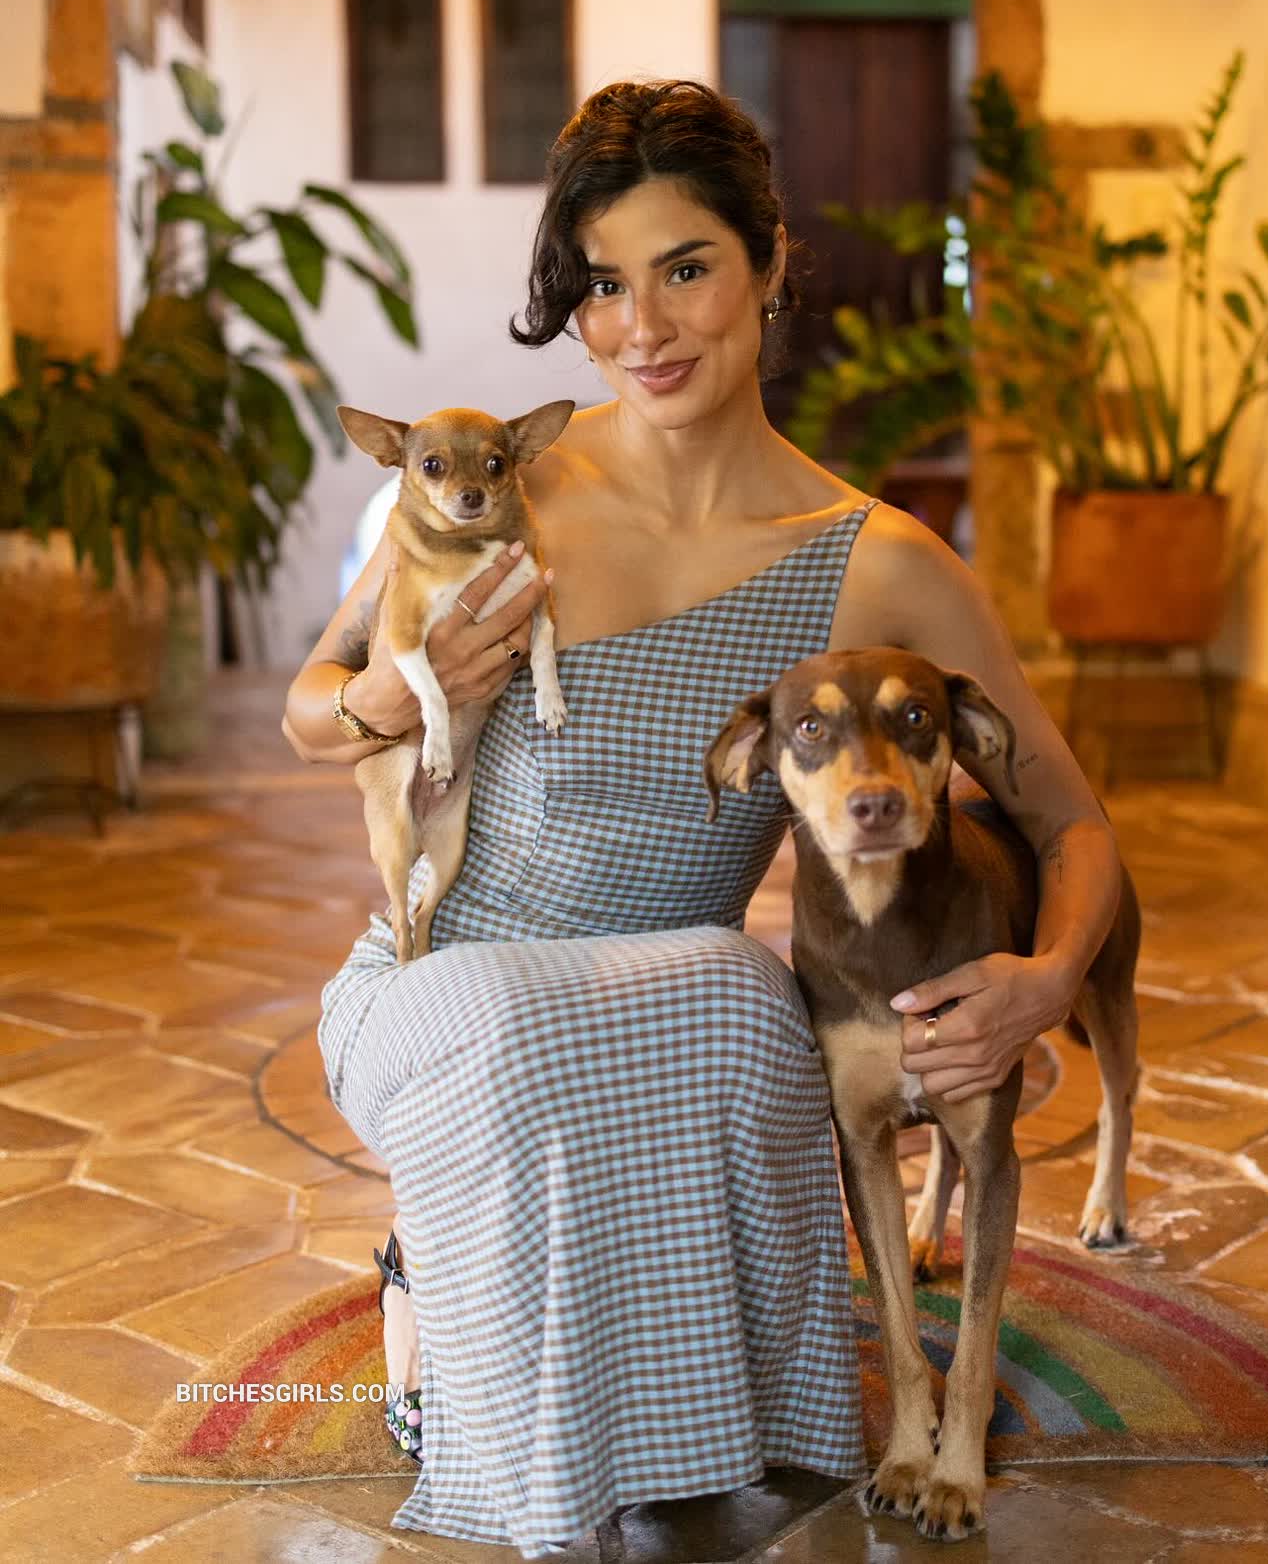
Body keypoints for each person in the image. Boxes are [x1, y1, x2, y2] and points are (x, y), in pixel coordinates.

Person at [281, 80, 1124, 1557]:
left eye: (685, 268)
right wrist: (393, 702)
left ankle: (654, 1393)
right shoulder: (508, 487)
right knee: (519, 1018)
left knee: (748, 996)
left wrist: (1045, 984)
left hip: (662, 1000)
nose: (642, 328)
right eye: (603, 285)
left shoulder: (878, 564)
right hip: (444, 989)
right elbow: (309, 704)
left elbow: (1072, 822)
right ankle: (459, 1299)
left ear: (769, 260)